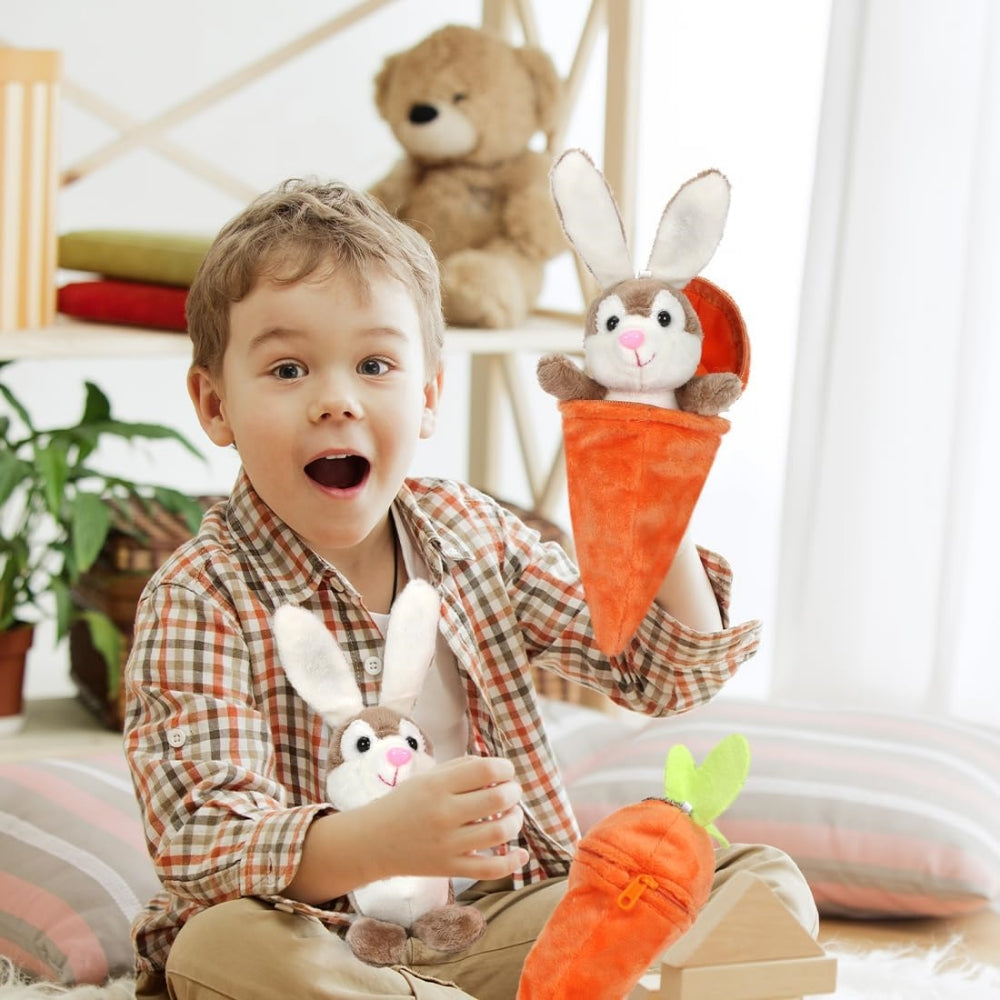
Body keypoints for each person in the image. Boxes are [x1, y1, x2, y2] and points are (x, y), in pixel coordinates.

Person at [123, 177, 818, 1000]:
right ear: (214, 403)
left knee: (749, 877)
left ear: (426, 397)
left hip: (506, 923)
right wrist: (378, 840)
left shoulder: (470, 532)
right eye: (287, 368)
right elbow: (204, 842)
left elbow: (663, 675)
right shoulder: (200, 592)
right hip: (327, 944)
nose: (337, 400)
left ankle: (579, 982)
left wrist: (659, 497)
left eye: (374, 364)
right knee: (219, 948)